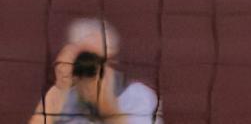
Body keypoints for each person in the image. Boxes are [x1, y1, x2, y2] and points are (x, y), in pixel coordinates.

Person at [29, 18, 161, 123]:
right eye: (84, 58)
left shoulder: (136, 95)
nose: (90, 66)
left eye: (97, 59)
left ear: (111, 59)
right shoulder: (61, 97)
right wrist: (60, 87)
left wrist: (105, 105)